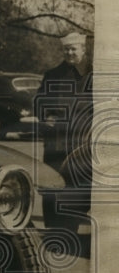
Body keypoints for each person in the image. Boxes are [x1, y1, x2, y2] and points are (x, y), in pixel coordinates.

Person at [38, 31, 91, 171]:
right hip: (56, 138)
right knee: (53, 178)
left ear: (83, 49)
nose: (69, 52)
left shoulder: (93, 74)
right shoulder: (53, 75)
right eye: (66, 49)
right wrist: (46, 116)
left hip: (84, 138)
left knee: (80, 181)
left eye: (73, 48)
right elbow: (39, 100)